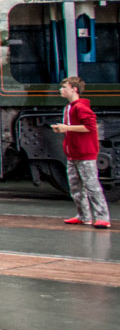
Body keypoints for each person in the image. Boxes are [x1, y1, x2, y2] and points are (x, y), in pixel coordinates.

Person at [54, 76, 109, 228]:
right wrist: (63, 129)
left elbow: (90, 127)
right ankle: (84, 216)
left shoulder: (80, 107)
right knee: (76, 187)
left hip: (85, 153)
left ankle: (102, 217)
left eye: (64, 87)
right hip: (73, 153)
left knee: (91, 185)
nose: (61, 90)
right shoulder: (69, 108)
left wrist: (67, 128)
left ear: (74, 89)